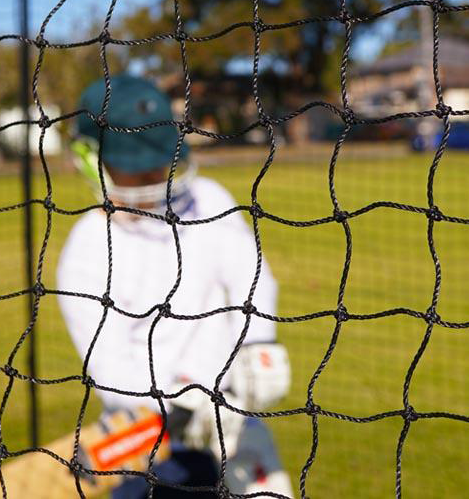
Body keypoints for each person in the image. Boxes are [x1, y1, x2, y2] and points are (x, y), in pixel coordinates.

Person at [56, 74, 294, 498]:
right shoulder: (86, 252)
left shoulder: (206, 199)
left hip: (236, 422)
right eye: (134, 166)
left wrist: (259, 344)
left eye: (158, 160)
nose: (152, 175)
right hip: (149, 443)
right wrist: (181, 408)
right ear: (89, 158)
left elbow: (249, 274)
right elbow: (112, 371)